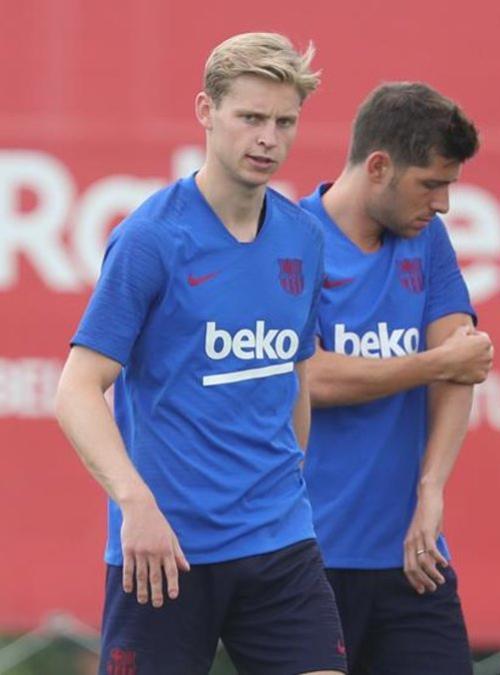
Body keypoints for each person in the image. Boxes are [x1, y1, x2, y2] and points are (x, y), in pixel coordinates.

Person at [54, 32, 346, 675]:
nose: (268, 138)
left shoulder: (303, 236)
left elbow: (296, 370)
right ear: (206, 112)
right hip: (164, 552)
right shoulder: (151, 238)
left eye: (284, 121)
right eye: (250, 117)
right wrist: (136, 503)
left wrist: (288, 480)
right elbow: (77, 387)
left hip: (280, 544)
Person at [299, 81, 490, 674]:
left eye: (450, 186)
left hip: (415, 559)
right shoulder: (291, 239)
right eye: (431, 184)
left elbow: (464, 365)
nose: (443, 204)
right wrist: (433, 365)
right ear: (378, 166)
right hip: (306, 562)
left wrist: (431, 489)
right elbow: (312, 380)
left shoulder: (427, 239)